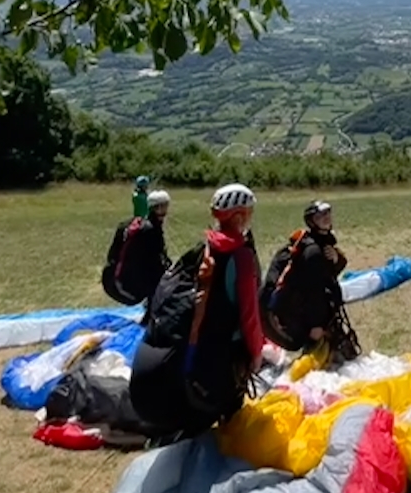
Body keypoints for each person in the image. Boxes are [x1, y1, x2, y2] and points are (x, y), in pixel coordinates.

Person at [129, 183, 270, 443]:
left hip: (180, 349)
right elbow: (250, 314)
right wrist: (256, 353)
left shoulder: (206, 246)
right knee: (231, 395)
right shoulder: (240, 256)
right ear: (238, 216)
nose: (250, 217)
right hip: (215, 355)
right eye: (248, 212)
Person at [262, 200, 357, 362]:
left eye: (327, 214)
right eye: (320, 216)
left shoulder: (322, 243)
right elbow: (313, 291)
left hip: (307, 311)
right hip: (300, 315)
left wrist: (336, 259)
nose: (326, 218)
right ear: (312, 222)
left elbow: (328, 274)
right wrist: (316, 325)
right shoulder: (312, 251)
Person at [102, 189, 172, 311]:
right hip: (127, 289)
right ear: (159, 208)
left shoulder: (129, 224)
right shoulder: (151, 231)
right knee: (165, 280)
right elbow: (157, 265)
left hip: (110, 279)